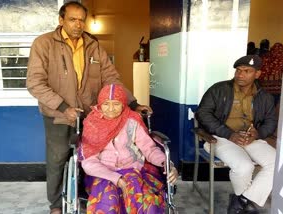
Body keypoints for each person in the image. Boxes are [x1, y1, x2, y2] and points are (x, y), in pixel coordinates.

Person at [26, 2, 151, 214]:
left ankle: (87, 196)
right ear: (61, 20)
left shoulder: (93, 45)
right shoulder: (44, 43)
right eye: (72, 19)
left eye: (81, 20)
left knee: (90, 156)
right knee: (58, 159)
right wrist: (64, 107)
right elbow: (34, 83)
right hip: (58, 116)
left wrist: (133, 103)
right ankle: (56, 205)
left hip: (91, 117)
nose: (78, 24)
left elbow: (111, 78)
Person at [196, 55, 277, 214]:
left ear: (257, 74)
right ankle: (245, 206)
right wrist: (228, 133)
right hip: (220, 138)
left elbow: (270, 121)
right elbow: (203, 113)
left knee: (277, 163)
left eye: (247, 71)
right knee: (244, 167)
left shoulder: (264, 96)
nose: (240, 74)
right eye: (238, 70)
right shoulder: (219, 89)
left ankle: (243, 201)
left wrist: (258, 133)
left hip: (250, 138)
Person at [80, 84, 178, 214]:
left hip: (132, 168)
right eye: (106, 104)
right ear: (99, 104)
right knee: (107, 202)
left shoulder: (132, 120)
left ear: (123, 104)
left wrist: (166, 162)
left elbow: (149, 149)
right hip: (103, 172)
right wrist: (116, 178)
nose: (110, 109)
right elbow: (88, 161)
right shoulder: (92, 123)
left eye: (116, 104)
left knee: (146, 201)